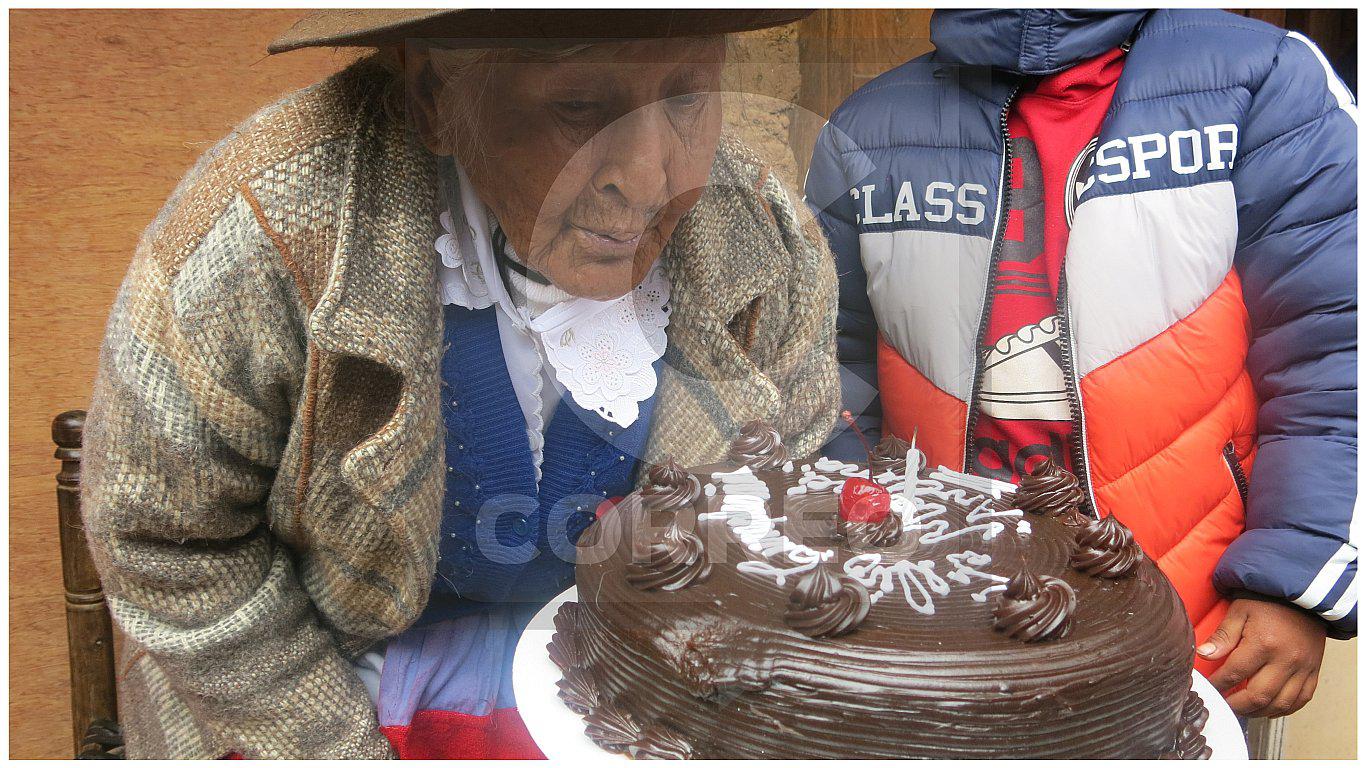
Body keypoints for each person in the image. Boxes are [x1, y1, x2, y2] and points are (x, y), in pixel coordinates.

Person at [83, 9, 837, 759]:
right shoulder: (265, 232)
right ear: (434, 96)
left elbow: (772, 520)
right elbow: (166, 544)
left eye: (685, 100)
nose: (647, 178)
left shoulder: (765, 242)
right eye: (578, 107)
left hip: (631, 697)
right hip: (312, 692)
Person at [807, 8, 1355, 720]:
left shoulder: (1260, 83)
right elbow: (826, 373)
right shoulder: (870, 123)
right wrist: (857, 572)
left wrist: (1294, 576)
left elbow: (1336, 344)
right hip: (940, 629)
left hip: (1188, 624)